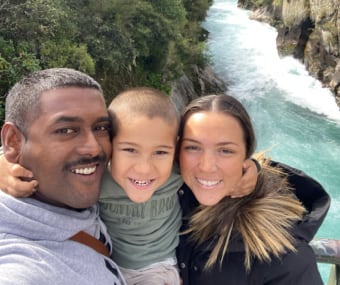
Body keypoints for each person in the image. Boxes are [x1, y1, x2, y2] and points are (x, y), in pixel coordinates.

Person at [0, 87, 260, 285]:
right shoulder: (94, 177)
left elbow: (213, 163)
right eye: (129, 150)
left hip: (159, 269)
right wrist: (4, 162)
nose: (144, 168)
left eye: (160, 152)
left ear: (175, 149)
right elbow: (49, 165)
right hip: (106, 265)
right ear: (110, 146)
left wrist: (253, 169)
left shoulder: (178, 169)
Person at [176, 94, 331, 285]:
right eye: (192, 147)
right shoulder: (161, 196)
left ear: (245, 157)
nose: (207, 166)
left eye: (225, 150)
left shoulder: (284, 258)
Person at [0, 68, 126, 284]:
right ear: (13, 141)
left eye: (101, 128)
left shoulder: (76, 185)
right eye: (66, 130)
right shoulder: (25, 265)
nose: (93, 148)